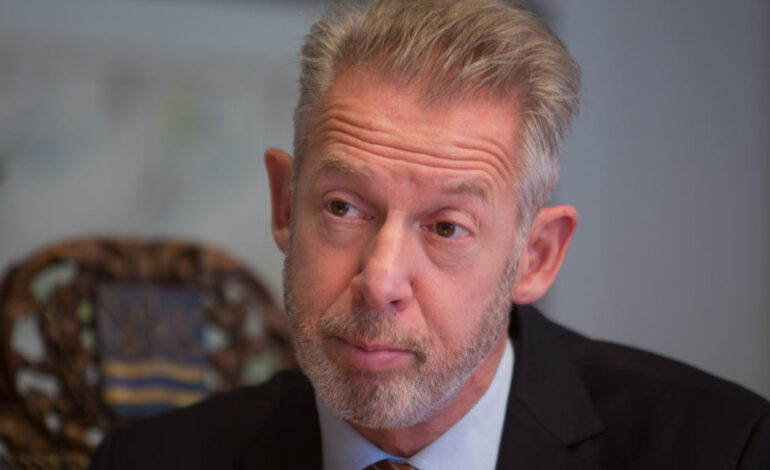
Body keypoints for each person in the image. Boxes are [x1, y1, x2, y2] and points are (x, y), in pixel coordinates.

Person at [89, 0, 770, 468]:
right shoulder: (150, 461)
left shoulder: (723, 450)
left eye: (447, 226)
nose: (380, 280)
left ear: (535, 256)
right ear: (285, 205)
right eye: (342, 208)